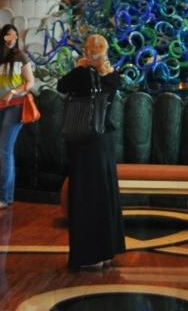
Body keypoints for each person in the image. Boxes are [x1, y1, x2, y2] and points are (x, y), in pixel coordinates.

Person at [57, 34, 125, 272]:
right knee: (105, 193)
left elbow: (61, 86)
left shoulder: (81, 75)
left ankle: (91, 256)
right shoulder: (113, 77)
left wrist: (80, 67)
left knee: (86, 196)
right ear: (105, 52)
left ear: (86, 52)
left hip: (84, 141)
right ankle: (107, 252)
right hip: (105, 141)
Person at [0, 23, 34, 211]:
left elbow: (30, 82)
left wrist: (13, 92)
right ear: (2, 37)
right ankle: (8, 196)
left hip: (15, 108)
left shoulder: (20, 57)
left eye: (14, 35)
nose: (11, 39)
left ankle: (3, 197)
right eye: (8, 35)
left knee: (5, 152)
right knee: (4, 152)